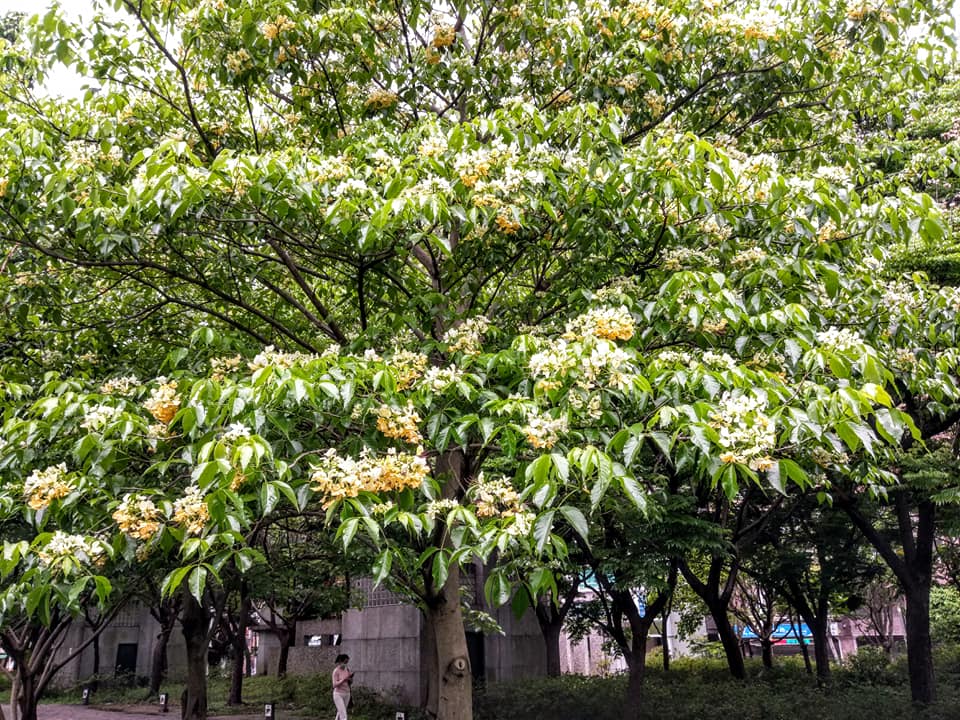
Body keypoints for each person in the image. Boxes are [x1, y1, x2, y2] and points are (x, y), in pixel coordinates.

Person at [332, 653, 353, 720]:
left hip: (347, 693)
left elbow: (350, 682)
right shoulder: (336, 671)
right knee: (343, 714)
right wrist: (344, 679)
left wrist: (350, 679)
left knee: (340, 712)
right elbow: (334, 685)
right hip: (338, 694)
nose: (346, 664)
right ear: (340, 661)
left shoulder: (347, 669)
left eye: (347, 662)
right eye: (345, 662)